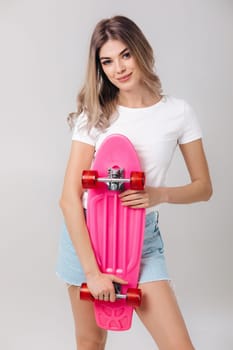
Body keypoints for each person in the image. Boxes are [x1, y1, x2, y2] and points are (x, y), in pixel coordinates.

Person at [56, 15, 212, 350]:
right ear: (100, 68)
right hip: (87, 241)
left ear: (142, 51)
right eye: (107, 61)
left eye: (125, 55)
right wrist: (93, 272)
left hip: (141, 240)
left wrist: (160, 194)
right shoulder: (95, 115)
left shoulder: (178, 113)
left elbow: (203, 187)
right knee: (91, 342)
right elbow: (70, 197)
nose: (119, 68)